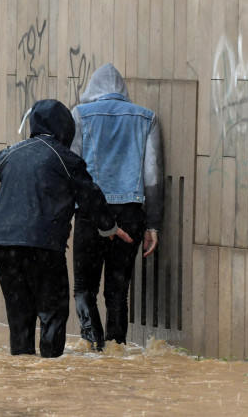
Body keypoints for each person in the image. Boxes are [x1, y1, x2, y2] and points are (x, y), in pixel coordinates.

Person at [0, 99, 133, 358]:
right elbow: (91, 196)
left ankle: (22, 372)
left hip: (2, 244)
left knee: (19, 313)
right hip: (42, 245)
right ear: (64, 128)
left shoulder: (11, 152)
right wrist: (109, 228)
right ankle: (49, 372)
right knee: (53, 312)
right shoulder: (65, 158)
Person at [69, 63, 164, 350]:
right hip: (131, 212)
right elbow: (153, 176)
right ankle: (115, 350)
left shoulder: (80, 115)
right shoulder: (146, 118)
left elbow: (73, 170)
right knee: (117, 291)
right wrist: (153, 224)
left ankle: (94, 346)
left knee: (84, 288)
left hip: (90, 213)